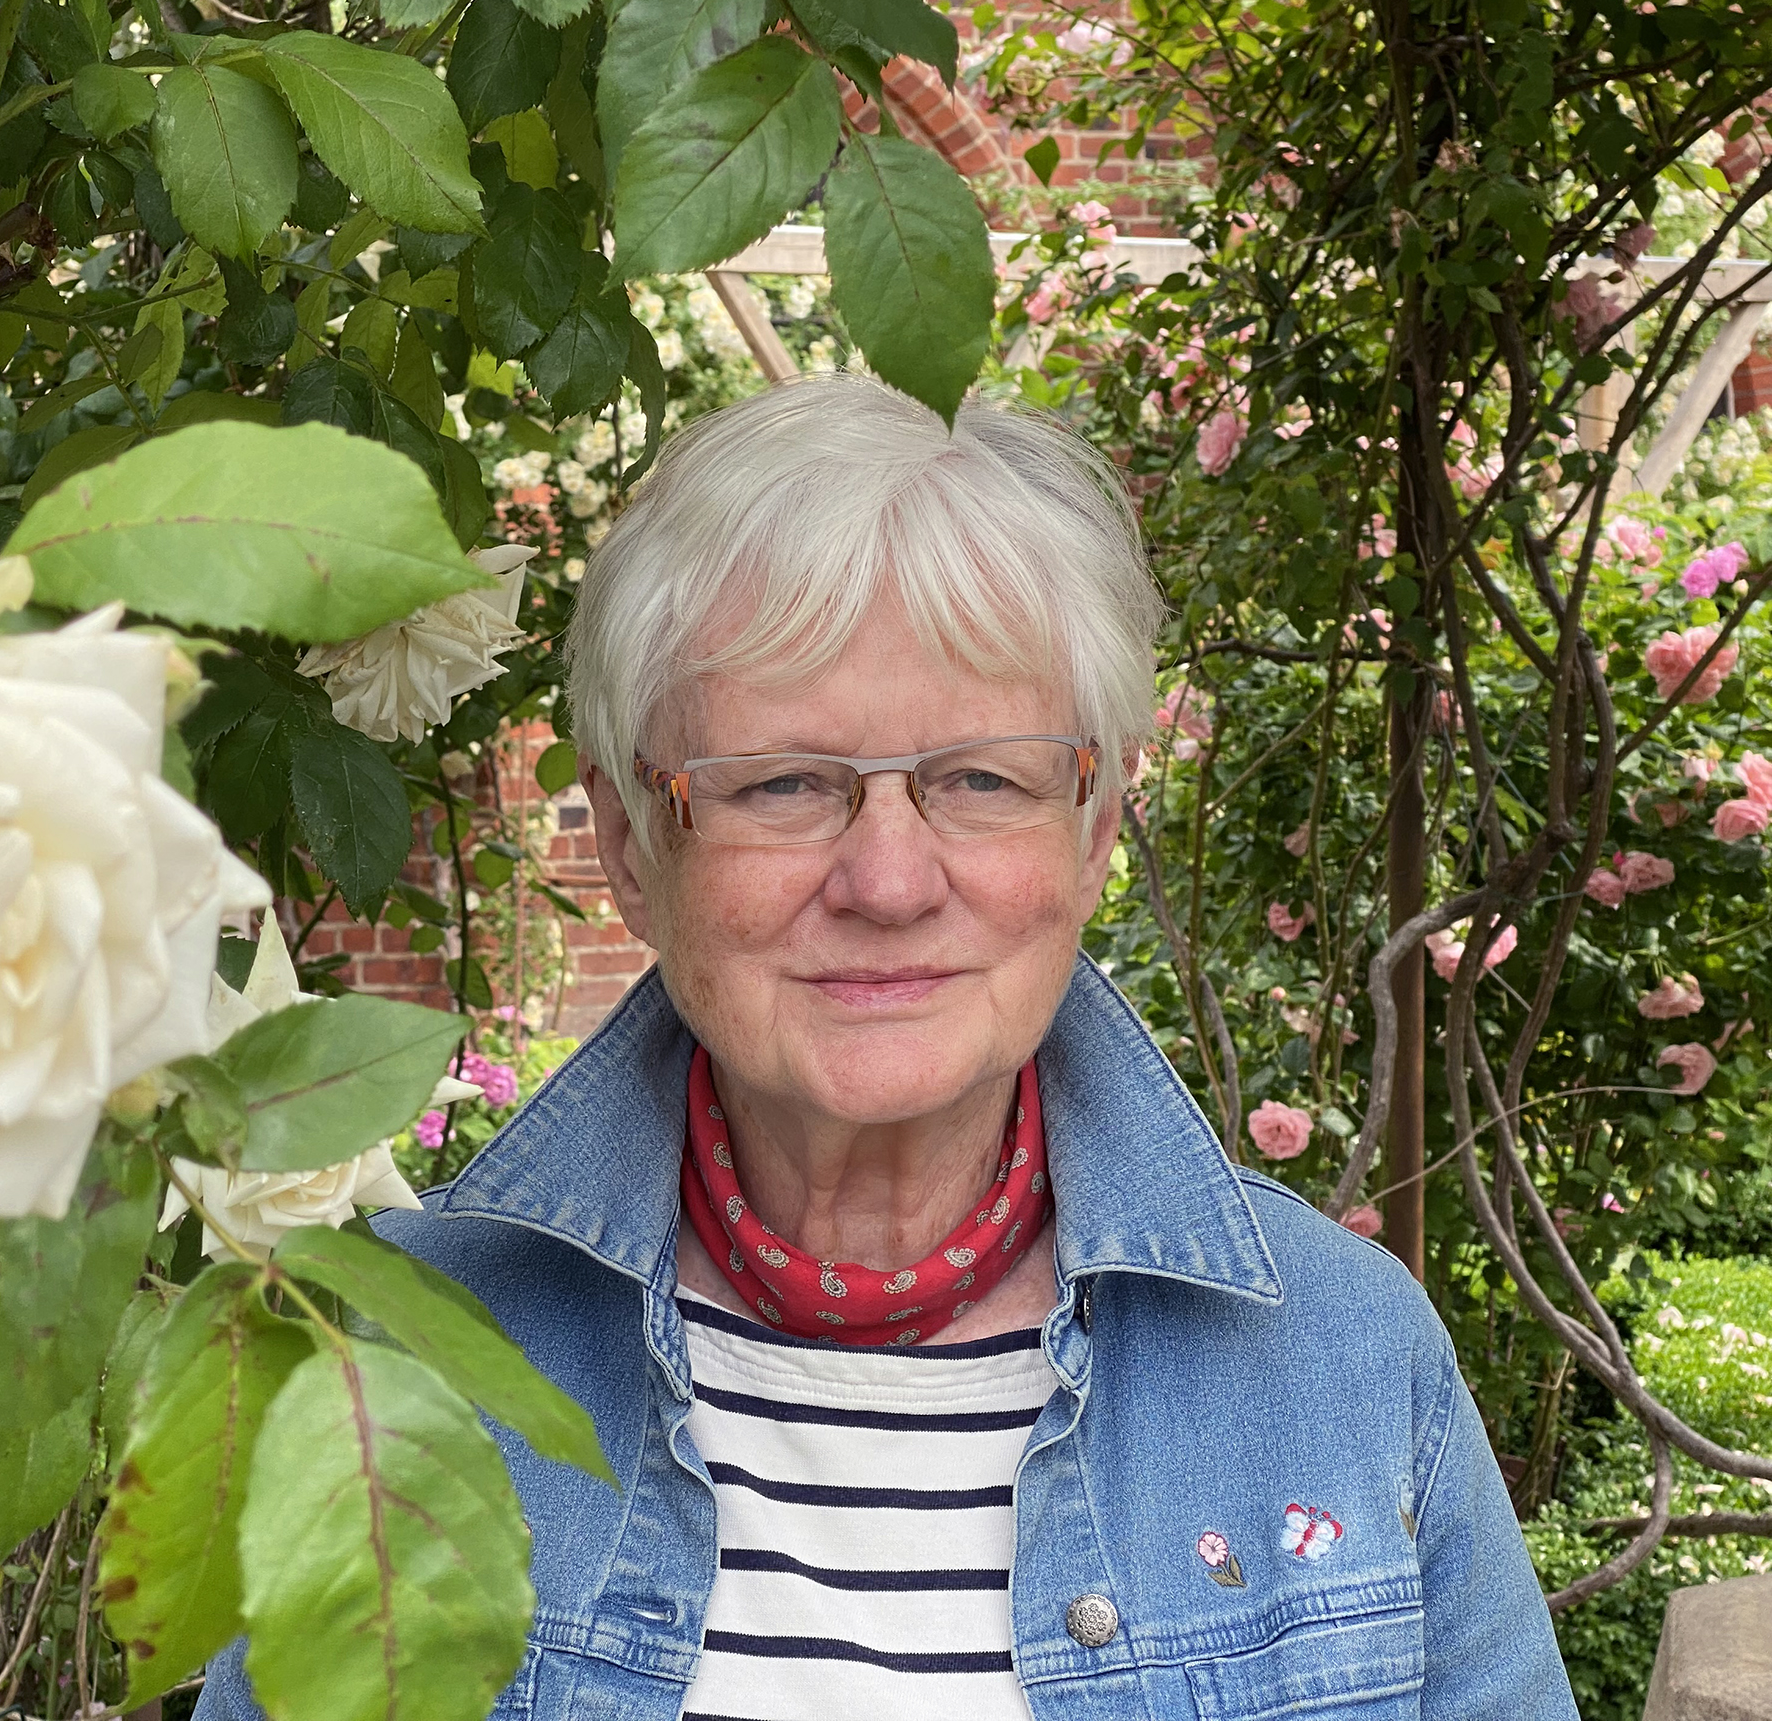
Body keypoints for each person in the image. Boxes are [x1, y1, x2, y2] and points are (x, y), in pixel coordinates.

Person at [196, 375, 1575, 1720]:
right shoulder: (397, 1355)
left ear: (1090, 834)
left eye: (981, 777)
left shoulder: (1339, 1359)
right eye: (784, 782)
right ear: (629, 844)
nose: (889, 879)